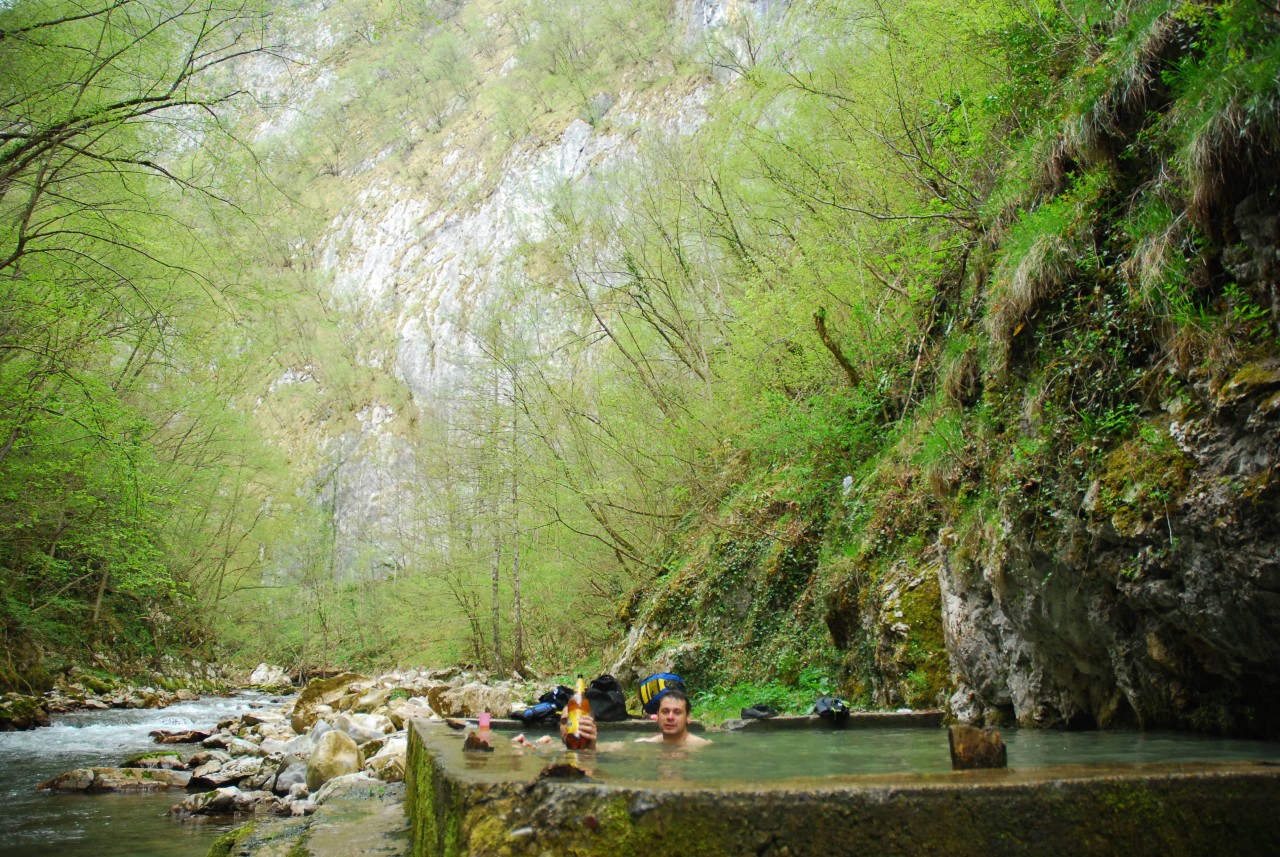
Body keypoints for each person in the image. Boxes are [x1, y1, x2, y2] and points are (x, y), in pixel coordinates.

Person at [634, 688, 709, 746]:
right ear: (658, 716)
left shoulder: (703, 745)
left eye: (677, 712)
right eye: (665, 711)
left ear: (688, 718)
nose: (670, 717)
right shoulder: (644, 744)